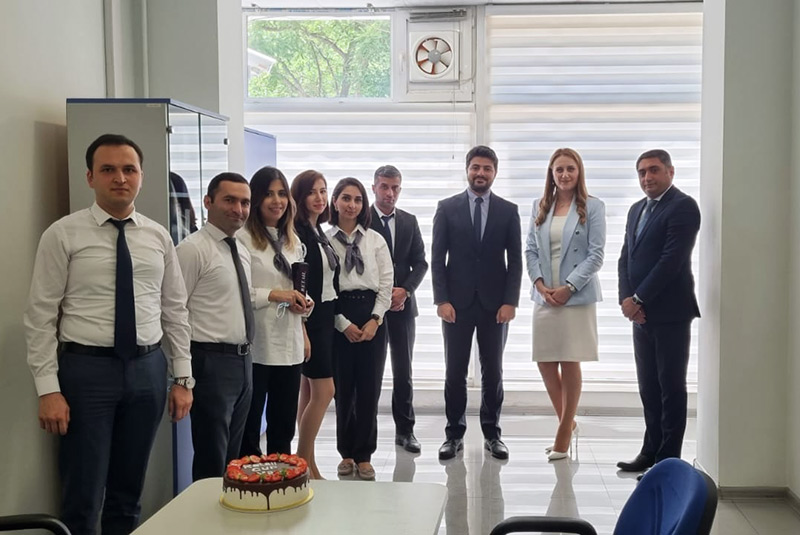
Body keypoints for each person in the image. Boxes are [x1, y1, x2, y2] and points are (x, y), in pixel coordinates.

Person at [24, 133, 193, 535]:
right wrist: (48, 390)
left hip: (148, 370)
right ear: (90, 177)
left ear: (141, 176)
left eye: (129, 169)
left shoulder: (158, 236)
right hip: (86, 373)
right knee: (83, 493)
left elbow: (174, 310)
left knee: (128, 492)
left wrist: (183, 378)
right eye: (108, 169)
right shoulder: (63, 234)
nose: (120, 178)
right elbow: (40, 316)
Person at [431, 145, 522, 461]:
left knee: (493, 371)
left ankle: (492, 434)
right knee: (454, 371)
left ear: (494, 173)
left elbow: (515, 261)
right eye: (476, 167)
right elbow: (437, 258)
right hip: (455, 305)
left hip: (495, 306)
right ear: (467, 170)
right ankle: (453, 435)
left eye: (487, 168)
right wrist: (441, 299)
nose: (480, 173)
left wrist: (510, 301)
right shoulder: (446, 208)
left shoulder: (508, 211)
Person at [616, 149, 700, 473]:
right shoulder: (636, 209)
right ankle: (649, 451)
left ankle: (667, 461)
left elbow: (671, 260)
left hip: (671, 314)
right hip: (640, 316)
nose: (647, 177)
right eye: (642, 172)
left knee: (670, 389)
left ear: (670, 172)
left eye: (653, 170)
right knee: (648, 387)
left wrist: (638, 299)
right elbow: (626, 257)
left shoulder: (683, 206)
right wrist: (627, 301)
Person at [525, 148, 606, 460]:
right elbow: (530, 249)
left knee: (570, 360)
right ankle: (568, 423)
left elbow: (596, 255)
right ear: (551, 173)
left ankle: (562, 433)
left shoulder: (593, 206)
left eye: (570, 168)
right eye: (559, 169)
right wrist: (540, 284)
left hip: (576, 296)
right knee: (545, 361)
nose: (565, 174)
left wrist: (569, 287)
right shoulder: (539, 205)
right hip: (545, 296)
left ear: (579, 171)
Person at [176, 172, 254, 481]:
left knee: (232, 461)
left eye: (245, 202)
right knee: (212, 458)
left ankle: (228, 510)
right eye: (229, 200)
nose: (238, 209)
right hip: (210, 362)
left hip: (243, 361)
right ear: (208, 202)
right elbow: (174, 311)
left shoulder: (241, 249)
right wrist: (182, 375)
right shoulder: (193, 249)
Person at [238, 166, 312, 457]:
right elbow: (239, 292)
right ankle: (251, 481)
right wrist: (276, 295)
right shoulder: (243, 239)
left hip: (289, 343)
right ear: (256, 199)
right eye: (269, 194)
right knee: (250, 426)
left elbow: (295, 288)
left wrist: (304, 305)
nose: (277, 201)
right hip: (257, 345)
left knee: (283, 428)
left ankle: (283, 478)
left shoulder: (293, 241)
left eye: (282, 194)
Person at [327, 177, 393, 480]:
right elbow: (322, 286)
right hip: (338, 314)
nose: (351, 205)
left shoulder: (375, 240)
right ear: (335, 202)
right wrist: (341, 323)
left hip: (371, 316)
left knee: (369, 389)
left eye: (357, 199)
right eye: (345, 198)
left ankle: (365, 455)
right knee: (343, 391)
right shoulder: (325, 240)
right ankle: (346, 453)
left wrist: (376, 319)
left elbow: (386, 283)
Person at [369, 165, 428, 454]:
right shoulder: (363, 219)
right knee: (372, 372)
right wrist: (383, 295)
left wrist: (406, 290)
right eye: (384, 186)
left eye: (395, 187)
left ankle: (405, 431)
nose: (390, 193)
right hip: (371, 310)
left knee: (403, 372)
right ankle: (366, 433)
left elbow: (421, 262)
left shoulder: (409, 221)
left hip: (403, 308)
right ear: (374, 188)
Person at [292, 170, 340, 479]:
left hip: (325, 315)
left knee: (309, 393)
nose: (320, 198)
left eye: (323, 191)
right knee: (325, 391)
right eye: (312, 192)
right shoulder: (298, 233)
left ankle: (309, 464)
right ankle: (301, 462)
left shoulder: (317, 230)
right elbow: (298, 284)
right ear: (300, 197)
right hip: (311, 319)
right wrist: (303, 330)